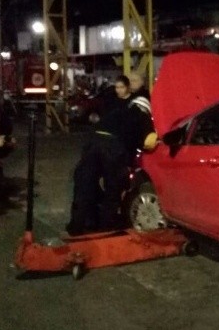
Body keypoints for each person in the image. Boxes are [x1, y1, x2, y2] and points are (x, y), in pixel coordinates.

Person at [65, 95, 157, 236]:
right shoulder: (142, 116)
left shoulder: (117, 112)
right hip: (113, 147)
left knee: (85, 184)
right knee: (113, 188)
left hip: (93, 142)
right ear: (147, 110)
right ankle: (107, 226)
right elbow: (149, 142)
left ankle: (77, 226)